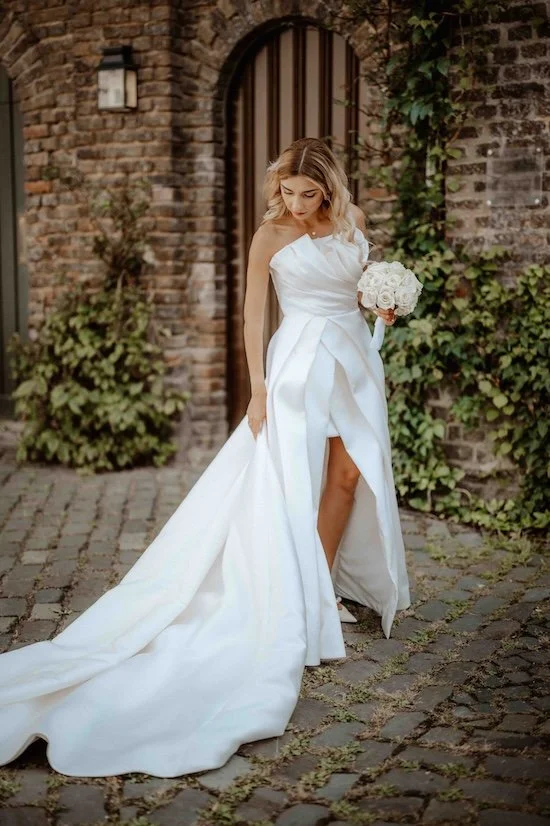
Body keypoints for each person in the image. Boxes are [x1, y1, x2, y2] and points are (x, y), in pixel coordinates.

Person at [0, 137, 410, 779]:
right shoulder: (272, 234)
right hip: (298, 364)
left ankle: (322, 583)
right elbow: (253, 318)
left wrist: (381, 306)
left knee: (349, 473)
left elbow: (353, 293)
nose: (299, 205)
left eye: (310, 194)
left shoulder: (353, 224)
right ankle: (294, 596)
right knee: (289, 481)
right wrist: (257, 391)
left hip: (354, 360)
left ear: (330, 189)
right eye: (290, 193)